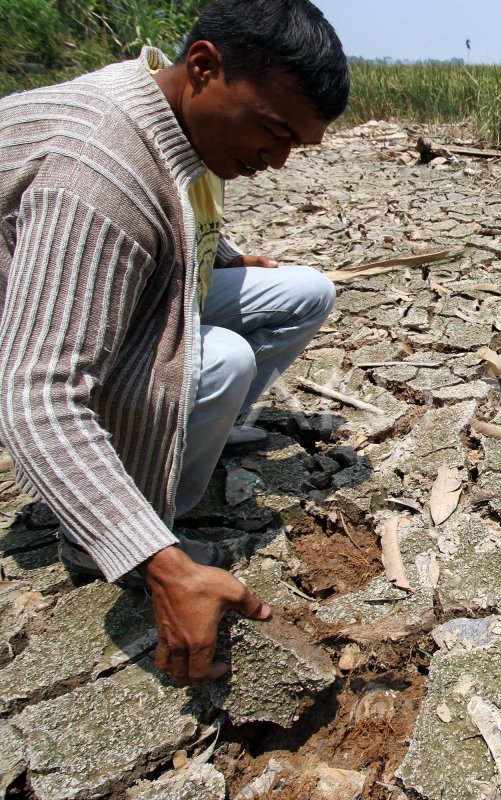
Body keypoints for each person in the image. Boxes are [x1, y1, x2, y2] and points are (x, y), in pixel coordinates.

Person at [0, 0, 349, 684]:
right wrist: (157, 563)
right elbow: (35, 395)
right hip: (32, 315)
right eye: (274, 131)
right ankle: (115, 526)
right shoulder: (100, 171)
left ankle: (201, 432)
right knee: (220, 357)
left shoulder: (166, 107)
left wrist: (226, 256)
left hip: (107, 278)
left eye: (295, 146)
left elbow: (178, 210)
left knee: (305, 290)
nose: (277, 161)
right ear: (203, 67)